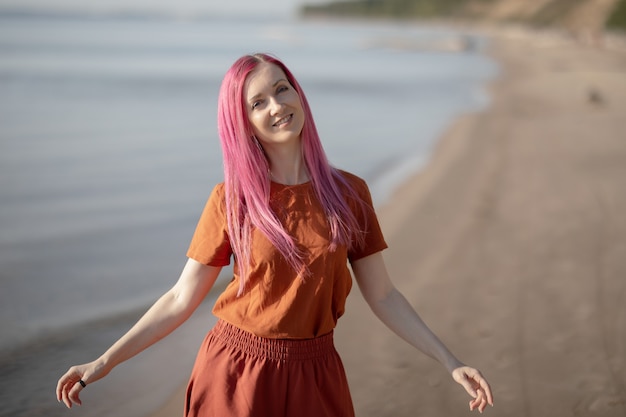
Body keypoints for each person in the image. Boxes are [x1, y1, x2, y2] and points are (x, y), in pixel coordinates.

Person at [56, 53, 494, 416]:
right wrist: (104, 361)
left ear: (299, 94)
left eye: (282, 89)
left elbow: (383, 295)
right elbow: (180, 298)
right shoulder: (231, 200)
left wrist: (449, 360)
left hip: (318, 369)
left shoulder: (350, 193)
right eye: (257, 102)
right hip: (236, 371)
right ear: (242, 122)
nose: (276, 106)